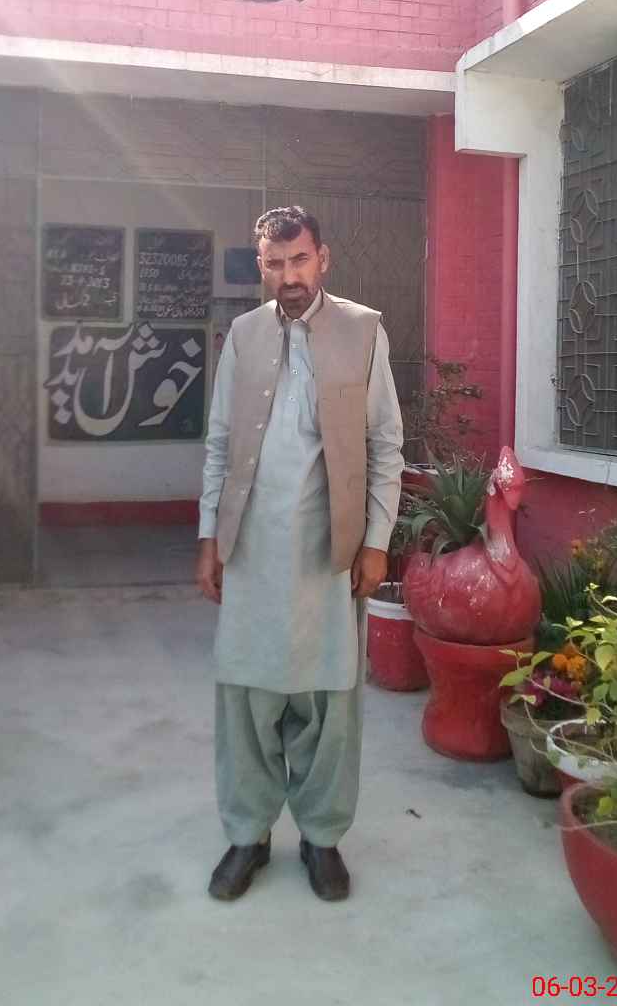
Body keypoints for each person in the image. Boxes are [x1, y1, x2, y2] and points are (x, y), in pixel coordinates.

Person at [195, 205, 404, 902]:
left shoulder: (363, 331)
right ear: (262, 267)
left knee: (328, 700)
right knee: (246, 694)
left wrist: (376, 543)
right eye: (276, 264)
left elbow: (385, 446)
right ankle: (247, 835)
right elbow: (219, 442)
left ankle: (321, 838)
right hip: (251, 549)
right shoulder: (244, 335)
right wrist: (208, 538)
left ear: (324, 259)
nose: (289, 276)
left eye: (300, 260)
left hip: (328, 551)